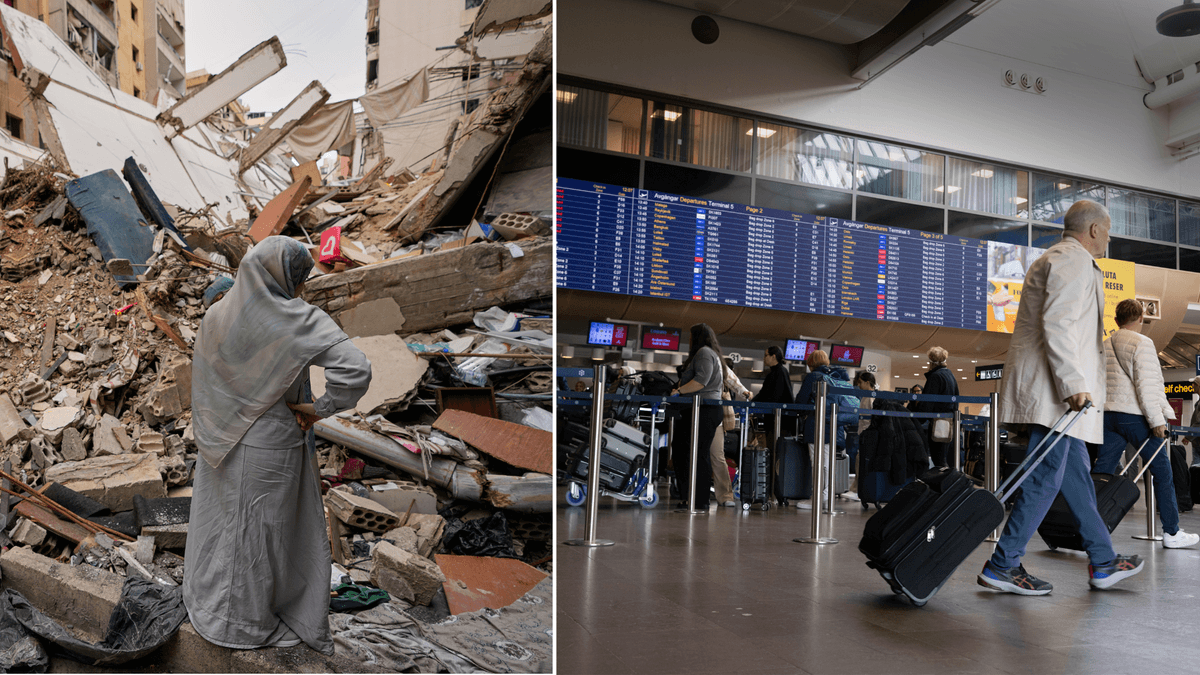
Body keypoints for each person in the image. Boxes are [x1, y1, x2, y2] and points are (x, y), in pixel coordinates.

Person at [185, 236, 373, 653]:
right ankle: (243, 626)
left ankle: (215, 611)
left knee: (227, 530)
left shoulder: (218, 313)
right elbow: (356, 369)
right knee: (260, 536)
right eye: (299, 279)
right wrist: (320, 407)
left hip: (220, 442)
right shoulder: (295, 317)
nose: (302, 289)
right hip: (271, 446)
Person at [977, 200, 1143, 595]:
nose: (1108, 239)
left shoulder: (1057, 258)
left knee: (1077, 479)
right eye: (1108, 231)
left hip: (1055, 397)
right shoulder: (1072, 260)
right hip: (1056, 396)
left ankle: (1103, 561)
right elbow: (1059, 323)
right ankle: (1003, 564)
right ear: (1095, 230)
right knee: (1044, 480)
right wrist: (1073, 384)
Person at [1093, 299, 1197, 548]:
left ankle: (1090, 528)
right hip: (1135, 416)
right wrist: (1157, 421)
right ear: (1141, 317)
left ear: (1116, 321)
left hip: (1108, 415)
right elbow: (1147, 386)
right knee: (1163, 472)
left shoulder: (1105, 344)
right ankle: (1172, 533)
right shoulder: (1143, 343)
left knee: (1101, 474)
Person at [669, 323, 728, 510]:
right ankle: (692, 497)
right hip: (704, 409)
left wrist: (678, 390)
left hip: (703, 409)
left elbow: (700, 381)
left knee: (694, 453)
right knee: (690, 452)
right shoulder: (711, 353)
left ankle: (698, 499)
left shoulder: (703, 353)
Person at [793, 350, 851, 509]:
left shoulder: (813, 377)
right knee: (827, 463)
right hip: (835, 427)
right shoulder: (841, 376)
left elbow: (801, 402)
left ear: (811, 364)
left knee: (818, 464)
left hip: (817, 425)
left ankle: (818, 499)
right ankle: (826, 496)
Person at [710, 359, 751, 507]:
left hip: (716, 418)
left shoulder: (718, 364)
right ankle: (695, 493)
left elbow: (732, 380)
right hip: (699, 414)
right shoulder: (696, 362)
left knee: (717, 455)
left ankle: (726, 495)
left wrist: (744, 392)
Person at [914, 347, 960, 468]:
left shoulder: (935, 377)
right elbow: (956, 400)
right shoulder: (950, 375)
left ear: (931, 361)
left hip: (938, 423)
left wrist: (918, 420)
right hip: (949, 422)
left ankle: (942, 484)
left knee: (938, 458)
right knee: (943, 458)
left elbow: (927, 403)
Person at [841, 371, 877, 502]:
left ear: (868, 383)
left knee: (860, 460)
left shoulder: (871, 398)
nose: (858, 385)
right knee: (859, 460)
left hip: (867, 435)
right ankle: (856, 488)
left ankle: (857, 490)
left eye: (861, 382)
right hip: (863, 434)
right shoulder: (866, 397)